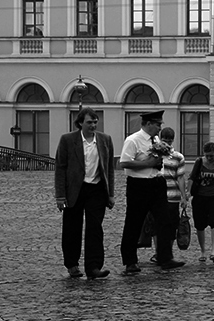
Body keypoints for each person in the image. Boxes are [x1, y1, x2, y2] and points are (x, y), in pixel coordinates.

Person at [54, 107, 116, 279]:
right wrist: (60, 196)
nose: (93, 125)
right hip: (74, 190)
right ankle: (72, 264)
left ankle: (93, 267)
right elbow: (60, 168)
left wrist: (110, 193)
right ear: (80, 122)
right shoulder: (68, 140)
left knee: (95, 228)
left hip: (96, 189)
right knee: (72, 228)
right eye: (89, 122)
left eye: (95, 122)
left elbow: (109, 168)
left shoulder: (105, 140)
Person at [119, 110, 183, 273]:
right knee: (134, 223)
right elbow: (124, 163)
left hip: (157, 183)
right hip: (139, 185)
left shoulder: (156, 140)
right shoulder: (133, 140)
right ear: (148, 124)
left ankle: (165, 257)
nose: (160, 127)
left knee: (164, 221)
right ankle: (130, 261)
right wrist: (147, 163)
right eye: (157, 124)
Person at [155, 126, 189, 266]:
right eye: (165, 140)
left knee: (171, 226)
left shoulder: (178, 157)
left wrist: (183, 196)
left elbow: (180, 178)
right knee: (157, 227)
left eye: (169, 141)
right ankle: (159, 253)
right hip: (158, 196)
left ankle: (167, 252)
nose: (167, 143)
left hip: (173, 196)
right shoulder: (155, 154)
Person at [189, 141, 214, 264]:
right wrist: (188, 192)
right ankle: (203, 250)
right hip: (200, 197)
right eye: (207, 155)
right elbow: (192, 177)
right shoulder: (199, 162)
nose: (209, 158)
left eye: (211, 155)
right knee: (199, 224)